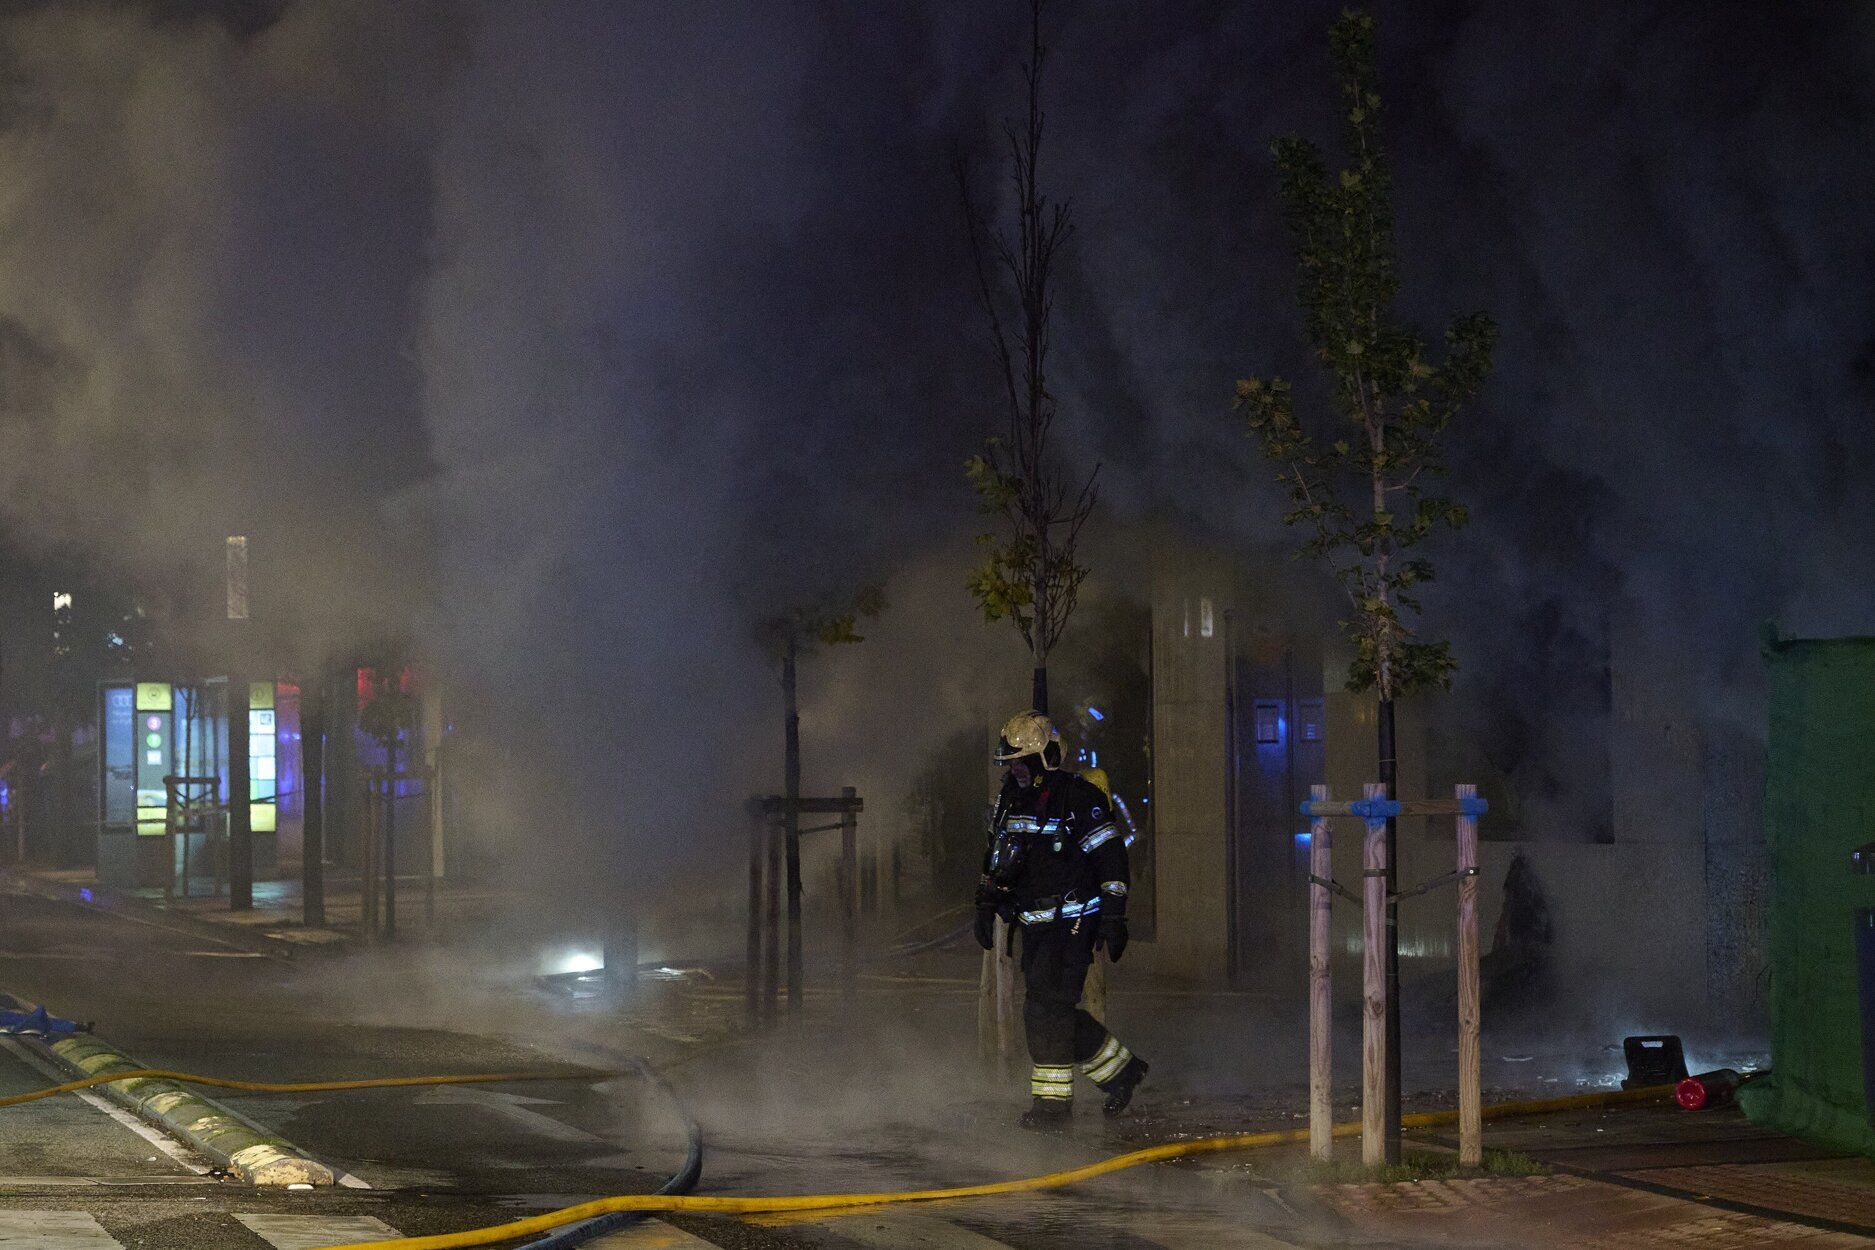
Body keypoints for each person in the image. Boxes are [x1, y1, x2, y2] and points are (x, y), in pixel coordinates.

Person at [975, 709, 1148, 1130]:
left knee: (1045, 1010)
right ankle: (1121, 1072)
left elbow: (1111, 858)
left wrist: (1113, 915)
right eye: (1010, 763)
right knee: (1050, 1009)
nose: (1014, 770)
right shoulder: (1010, 800)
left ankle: (1053, 1109)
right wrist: (985, 903)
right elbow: (997, 857)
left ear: (1045, 757)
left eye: (1021, 762)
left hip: (1073, 920)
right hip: (1035, 923)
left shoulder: (1078, 798)